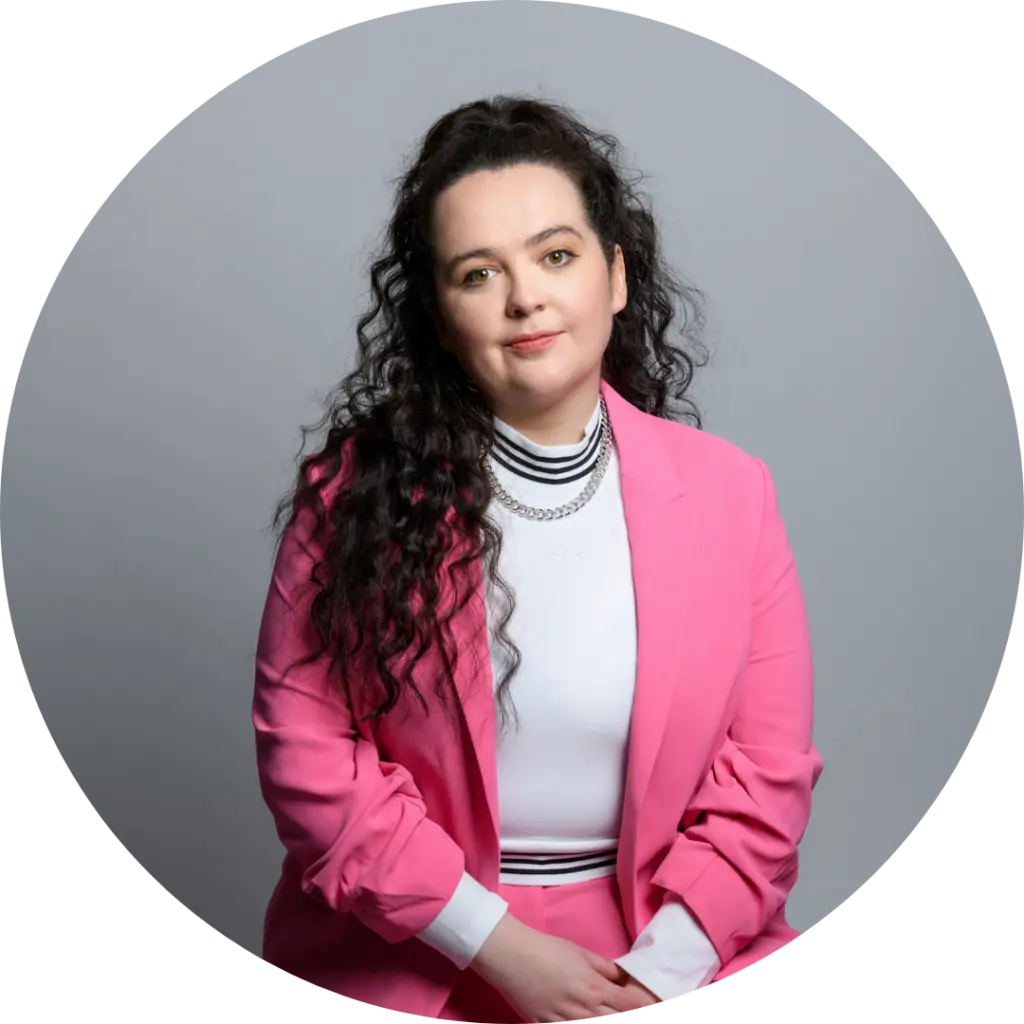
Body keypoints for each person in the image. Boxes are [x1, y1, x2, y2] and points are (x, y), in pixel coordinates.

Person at [252, 94, 823, 1022]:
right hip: (422, 945)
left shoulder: (733, 494)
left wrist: (656, 975)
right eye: (479, 273)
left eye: (557, 256)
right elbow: (312, 765)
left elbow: (767, 773)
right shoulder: (348, 494)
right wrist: (502, 950)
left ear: (616, 277)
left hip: (672, 940)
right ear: (440, 316)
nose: (527, 298)